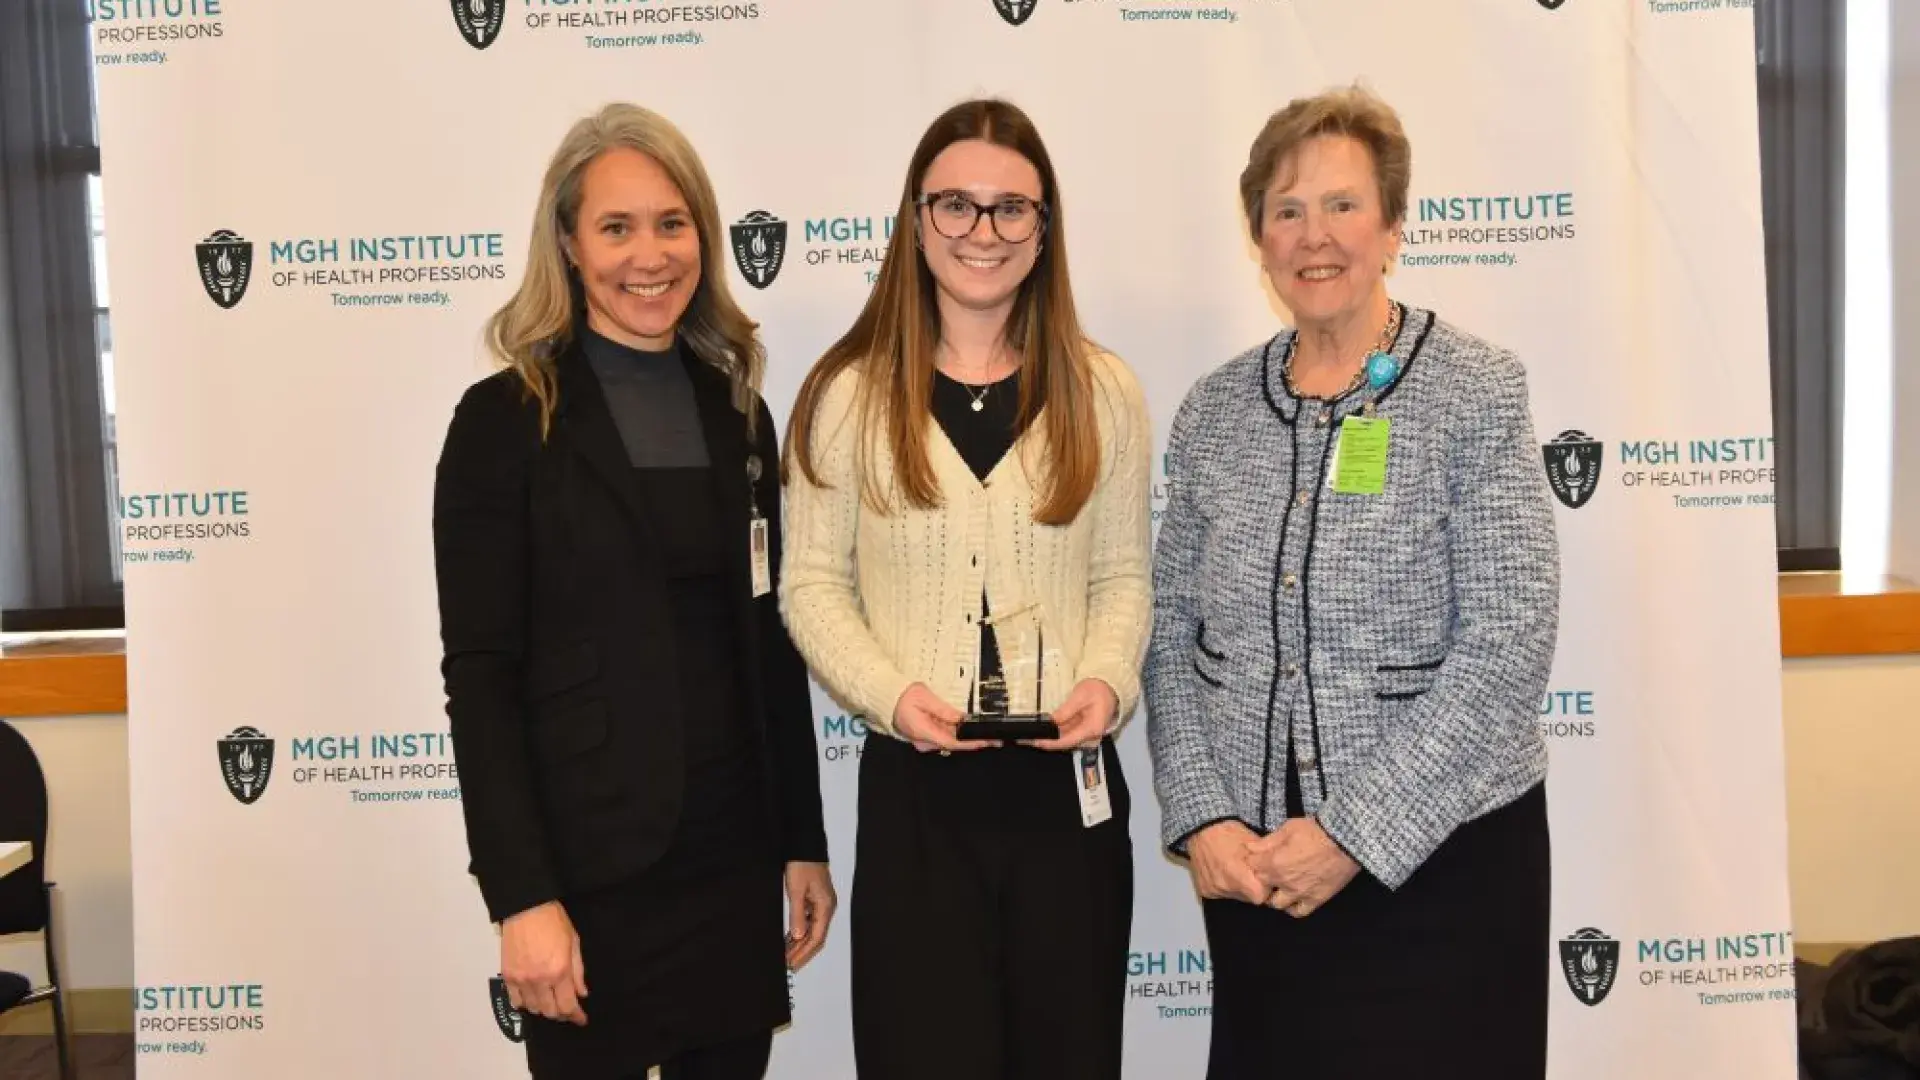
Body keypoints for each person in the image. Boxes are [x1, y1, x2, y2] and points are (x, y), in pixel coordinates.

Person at [1144, 84, 1561, 1079]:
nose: (1314, 235)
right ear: (1258, 237)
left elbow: (1509, 639)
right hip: (1261, 875)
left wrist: (1352, 833)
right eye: (1286, 210)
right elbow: (1166, 632)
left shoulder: (1477, 389)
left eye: (1341, 204)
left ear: (1392, 226)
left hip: (1444, 865)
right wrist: (1203, 815)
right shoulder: (1213, 412)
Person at [431, 102, 835, 1080]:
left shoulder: (737, 410)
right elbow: (481, 678)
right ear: (568, 244)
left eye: (672, 222)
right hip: (586, 878)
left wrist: (801, 841)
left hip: (731, 858)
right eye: (615, 227)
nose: (647, 254)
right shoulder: (503, 422)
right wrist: (521, 899)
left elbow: (769, 644)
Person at [778, 98, 1152, 1080]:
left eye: (1010, 209)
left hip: (1066, 801)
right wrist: (893, 697)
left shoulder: (1102, 391)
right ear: (914, 217)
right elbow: (809, 586)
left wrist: (1107, 682)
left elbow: (1122, 576)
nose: (982, 233)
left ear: (1044, 229)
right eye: (956, 206)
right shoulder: (847, 395)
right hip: (918, 797)